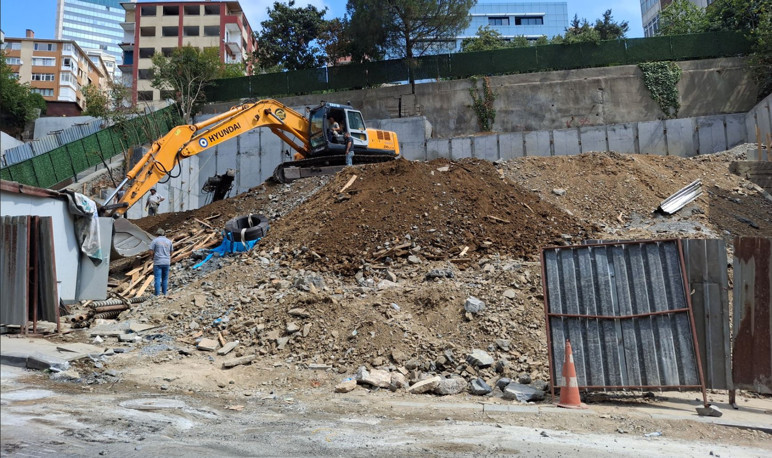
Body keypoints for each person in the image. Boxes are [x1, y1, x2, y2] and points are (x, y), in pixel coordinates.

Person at [149, 228, 173, 296]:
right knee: (165, 278)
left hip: (158, 262)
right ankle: (164, 293)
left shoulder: (155, 241)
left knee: (157, 278)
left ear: (157, 234)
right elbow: (171, 253)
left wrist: (153, 256)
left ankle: (157, 294)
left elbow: (150, 251)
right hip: (166, 262)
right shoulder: (169, 241)